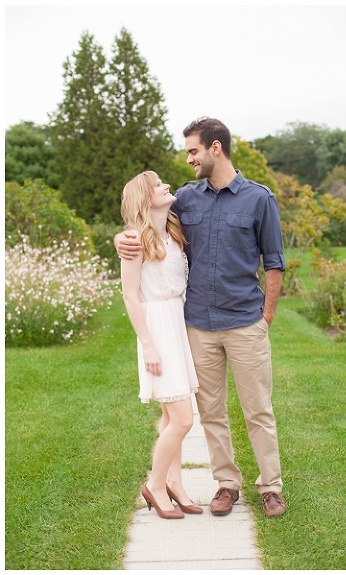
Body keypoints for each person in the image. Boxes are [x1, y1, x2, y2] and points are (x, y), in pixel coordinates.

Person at [117, 118, 287, 518]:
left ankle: (271, 487)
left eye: (193, 151)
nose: (189, 159)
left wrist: (266, 317)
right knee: (210, 413)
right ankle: (227, 485)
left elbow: (275, 262)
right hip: (197, 327)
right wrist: (121, 239)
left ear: (215, 148)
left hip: (245, 322)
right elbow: (143, 219)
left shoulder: (259, 199)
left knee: (258, 411)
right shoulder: (187, 198)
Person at [120, 170, 202, 520]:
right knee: (183, 419)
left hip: (176, 322)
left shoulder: (172, 232)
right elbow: (129, 296)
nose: (166, 186)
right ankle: (155, 485)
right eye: (157, 185)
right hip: (157, 329)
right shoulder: (134, 240)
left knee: (171, 416)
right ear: (144, 198)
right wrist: (148, 345)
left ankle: (175, 483)